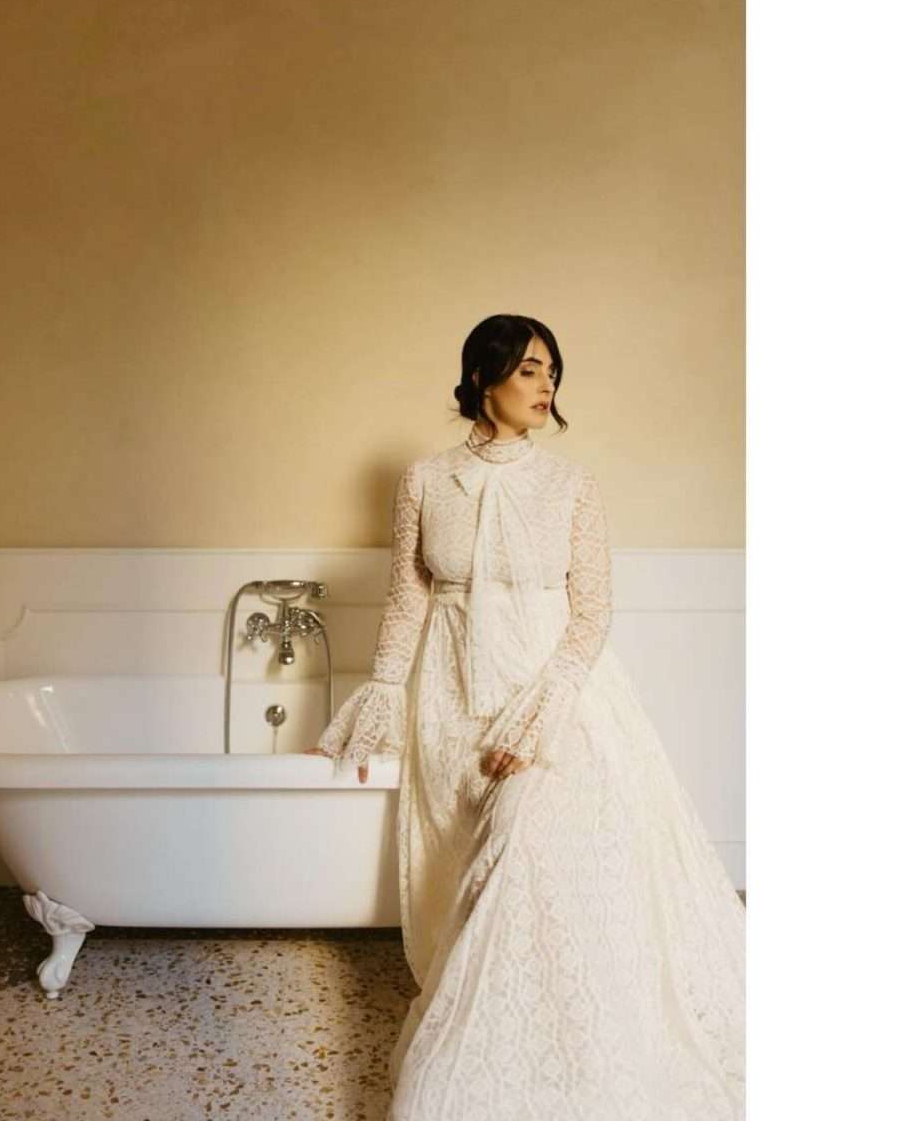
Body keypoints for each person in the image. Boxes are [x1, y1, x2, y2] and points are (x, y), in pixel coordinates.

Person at [304, 314, 746, 1119]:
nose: (547, 385)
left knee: (529, 845)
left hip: (555, 695)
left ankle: (542, 1059)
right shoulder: (425, 481)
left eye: (552, 371)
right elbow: (407, 601)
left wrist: (537, 718)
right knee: (467, 869)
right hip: (451, 697)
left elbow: (592, 614)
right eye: (530, 369)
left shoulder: (571, 485)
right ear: (483, 378)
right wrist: (381, 693)